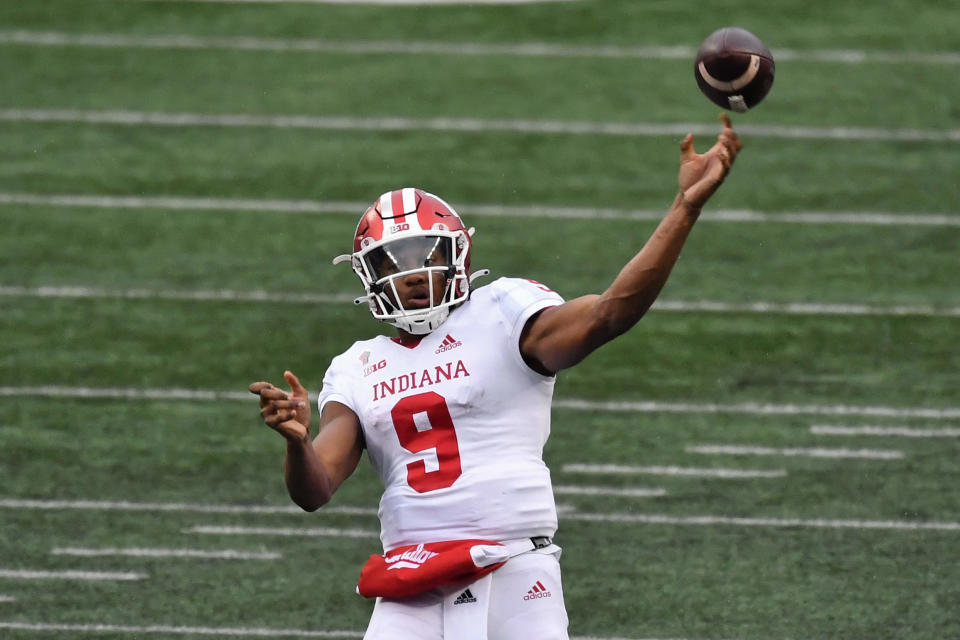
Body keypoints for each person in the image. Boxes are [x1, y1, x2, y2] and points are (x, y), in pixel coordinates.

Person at [250, 115, 743, 640]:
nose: (412, 272)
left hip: (513, 565)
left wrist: (684, 208)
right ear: (368, 275)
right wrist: (297, 442)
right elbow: (315, 490)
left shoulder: (502, 310)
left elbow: (608, 315)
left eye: (425, 255)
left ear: (457, 252)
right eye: (393, 260)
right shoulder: (358, 364)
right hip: (411, 577)